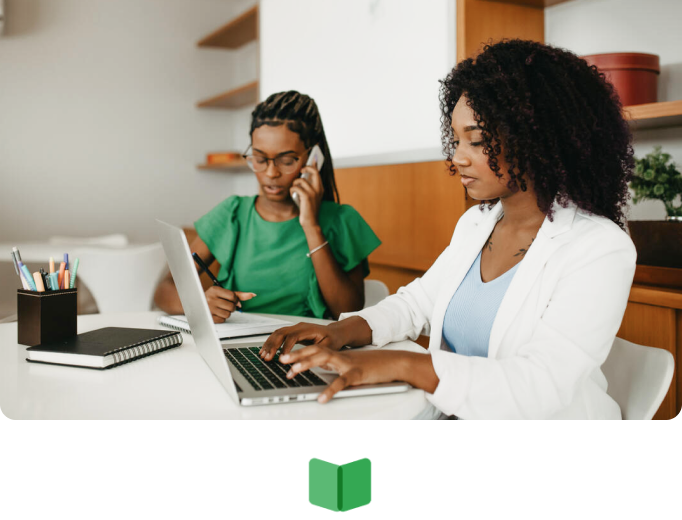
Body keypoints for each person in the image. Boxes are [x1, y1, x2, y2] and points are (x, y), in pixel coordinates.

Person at [259, 40, 638, 420]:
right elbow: (416, 303)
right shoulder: (477, 223)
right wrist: (340, 333)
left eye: (476, 140)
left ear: (535, 139)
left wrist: (400, 366)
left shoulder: (600, 247)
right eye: (456, 139)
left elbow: (540, 384)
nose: (457, 157)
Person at [154, 91, 381, 321]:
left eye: (287, 160)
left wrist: (311, 226)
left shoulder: (342, 220)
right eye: (260, 159)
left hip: (308, 349)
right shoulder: (232, 214)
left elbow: (349, 313)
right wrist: (200, 303)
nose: (271, 173)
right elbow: (164, 290)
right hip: (238, 346)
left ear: (313, 157)